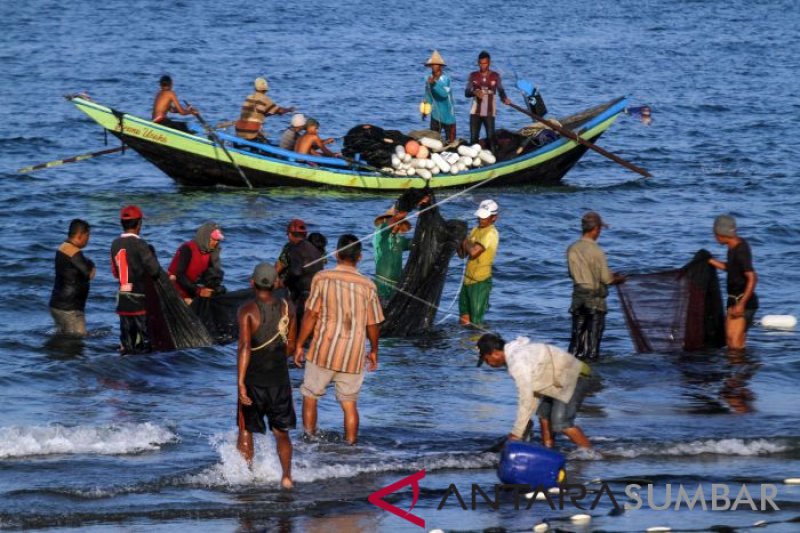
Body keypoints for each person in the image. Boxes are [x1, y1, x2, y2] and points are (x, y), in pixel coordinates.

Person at [294, 234, 384, 445]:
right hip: (353, 354)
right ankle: (351, 445)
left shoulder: (322, 278)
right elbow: (373, 323)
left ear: (336, 254)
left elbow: (311, 314)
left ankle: (309, 441)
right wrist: (374, 351)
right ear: (359, 257)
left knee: (310, 397)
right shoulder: (368, 285)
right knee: (349, 403)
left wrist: (298, 344)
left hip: (323, 350)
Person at [236, 263, 297, 489]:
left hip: (253, 380)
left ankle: (245, 477)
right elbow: (290, 347)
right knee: (281, 432)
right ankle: (287, 477)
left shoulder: (247, 311)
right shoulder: (287, 307)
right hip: (280, 380)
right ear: (276, 283)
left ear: (252, 283)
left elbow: (244, 347)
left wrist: (241, 383)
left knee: (245, 429)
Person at [477, 334, 593, 449]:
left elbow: (526, 398)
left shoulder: (517, 362)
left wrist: (517, 432)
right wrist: (522, 426)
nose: (488, 364)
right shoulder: (513, 353)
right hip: (555, 381)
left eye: (487, 360)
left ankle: (590, 453)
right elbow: (532, 394)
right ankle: (548, 450)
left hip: (575, 375)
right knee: (543, 416)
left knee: (561, 423)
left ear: (495, 353)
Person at [566, 211, 624, 361]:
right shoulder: (597, 251)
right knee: (592, 346)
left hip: (578, 299)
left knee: (576, 341)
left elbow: (573, 274)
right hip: (595, 302)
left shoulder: (572, 248)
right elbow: (606, 279)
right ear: (596, 229)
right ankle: (591, 378)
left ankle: (573, 372)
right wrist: (618, 279)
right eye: (600, 229)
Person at [110, 205, 162, 355]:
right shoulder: (140, 244)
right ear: (139, 224)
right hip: (138, 299)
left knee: (126, 342)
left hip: (123, 298)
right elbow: (154, 270)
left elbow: (115, 272)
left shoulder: (115, 244)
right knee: (144, 342)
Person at [708, 215, 758, 350]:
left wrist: (741, 304)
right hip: (733, 300)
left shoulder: (741, 250)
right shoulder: (732, 247)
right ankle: (740, 370)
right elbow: (732, 268)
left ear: (721, 234)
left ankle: (742, 370)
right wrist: (710, 261)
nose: (714, 236)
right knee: (731, 342)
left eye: (715, 233)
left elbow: (752, 277)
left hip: (743, 302)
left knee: (735, 347)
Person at [49, 219, 96, 336]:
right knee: (78, 339)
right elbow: (89, 274)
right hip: (70, 308)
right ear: (80, 235)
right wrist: (92, 265)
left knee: (64, 338)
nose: (88, 238)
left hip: (57, 305)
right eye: (87, 235)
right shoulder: (74, 252)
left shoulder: (62, 247)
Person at [275, 219, 324, 326]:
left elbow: (294, 271)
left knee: (296, 325)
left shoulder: (293, 248)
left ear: (290, 235)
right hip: (316, 294)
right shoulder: (315, 250)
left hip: (302, 296)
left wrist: (282, 282)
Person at [458, 199, 499, 326]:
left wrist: (464, 238)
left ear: (494, 218)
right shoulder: (475, 229)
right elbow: (462, 255)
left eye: (484, 217)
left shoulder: (491, 233)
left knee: (476, 322)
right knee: (464, 320)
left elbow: (474, 252)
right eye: (480, 217)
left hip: (480, 283)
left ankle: (477, 343)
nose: (481, 220)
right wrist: (457, 239)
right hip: (467, 281)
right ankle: (463, 345)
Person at [167, 221, 225, 304]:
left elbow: (213, 274)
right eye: (213, 239)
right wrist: (199, 291)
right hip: (176, 289)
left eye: (218, 240)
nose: (216, 243)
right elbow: (180, 275)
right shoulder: (187, 248)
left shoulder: (211, 252)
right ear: (205, 237)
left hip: (193, 289)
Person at [464, 51, 510, 154]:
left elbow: (501, 90)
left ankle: (494, 159)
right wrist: (475, 92)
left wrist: (504, 98)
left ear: (489, 63)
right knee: (473, 139)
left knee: (490, 138)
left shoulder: (495, 76)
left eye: (485, 63)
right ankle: (473, 163)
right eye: (481, 63)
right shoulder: (473, 75)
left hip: (489, 113)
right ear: (478, 63)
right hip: (475, 113)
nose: (482, 66)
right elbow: (466, 92)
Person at [235, 77, 294, 143]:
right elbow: (280, 111)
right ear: (266, 89)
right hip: (252, 132)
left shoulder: (249, 97)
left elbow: (257, 113)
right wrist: (289, 109)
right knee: (266, 142)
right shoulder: (265, 99)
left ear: (255, 88)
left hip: (239, 130)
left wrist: (271, 113)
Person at [373, 206, 412, 304]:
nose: (396, 225)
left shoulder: (399, 240)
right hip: (381, 283)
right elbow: (386, 227)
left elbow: (413, 243)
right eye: (394, 221)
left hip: (396, 285)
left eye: (399, 223)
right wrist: (398, 216)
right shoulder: (379, 234)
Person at [423, 50, 456, 144]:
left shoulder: (446, 79)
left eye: (436, 64)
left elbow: (444, 94)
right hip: (435, 116)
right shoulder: (428, 78)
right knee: (434, 142)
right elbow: (428, 95)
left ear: (440, 66)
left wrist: (434, 84)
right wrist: (425, 110)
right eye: (432, 65)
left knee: (451, 144)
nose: (434, 67)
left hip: (448, 117)